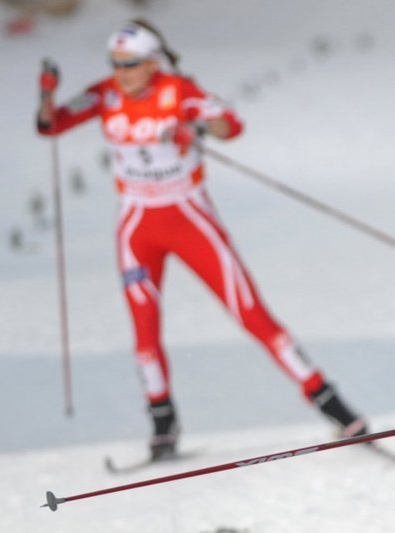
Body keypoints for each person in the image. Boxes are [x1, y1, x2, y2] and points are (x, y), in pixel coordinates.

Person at [35, 20, 366, 460]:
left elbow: (230, 124)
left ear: (152, 62)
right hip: (137, 225)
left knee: (251, 314)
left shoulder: (179, 90)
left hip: (189, 219)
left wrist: (198, 130)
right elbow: (52, 125)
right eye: (114, 64)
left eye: (130, 64)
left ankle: (332, 404)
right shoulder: (105, 94)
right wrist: (46, 96)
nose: (121, 73)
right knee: (144, 330)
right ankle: (163, 425)